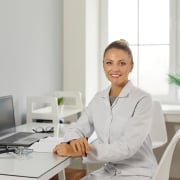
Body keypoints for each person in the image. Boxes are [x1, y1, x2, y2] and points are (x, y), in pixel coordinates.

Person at [53, 39, 158, 180]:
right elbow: (78, 127)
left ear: (131, 66)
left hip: (139, 172)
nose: (115, 69)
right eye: (109, 63)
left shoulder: (143, 99)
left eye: (122, 63)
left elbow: (127, 147)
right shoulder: (98, 99)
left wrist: (81, 152)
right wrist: (74, 141)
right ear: (103, 65)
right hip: (110, 170)